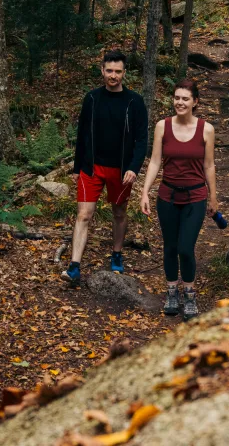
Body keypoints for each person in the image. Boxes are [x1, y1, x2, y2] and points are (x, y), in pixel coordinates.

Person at [61, 50, 149, 287]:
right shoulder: (91, 99)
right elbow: (82, 134)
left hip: (121, 171)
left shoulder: (134, 102)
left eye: (118, 71)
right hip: (92, 168)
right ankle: (74, 266)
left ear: (124, 73)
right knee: (84, 214)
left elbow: (142, 140)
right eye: (109, 70)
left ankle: (117, 253)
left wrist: (134, 168)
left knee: (119, 213)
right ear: (102, 70)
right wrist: (79, 166)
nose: (113, 75)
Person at [140, 80, 217, 320]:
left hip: (195, 196)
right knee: (170, 247)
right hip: (168, 196)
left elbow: (209, 165)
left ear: (195, 102)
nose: (180, 102)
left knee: (186, 248)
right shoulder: (163, 126)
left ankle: (190, 293)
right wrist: (144, 191)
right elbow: (154, 162)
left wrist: (213, 196)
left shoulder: (206, 129)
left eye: (185, 98)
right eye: (176, 98)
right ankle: (172, 292)